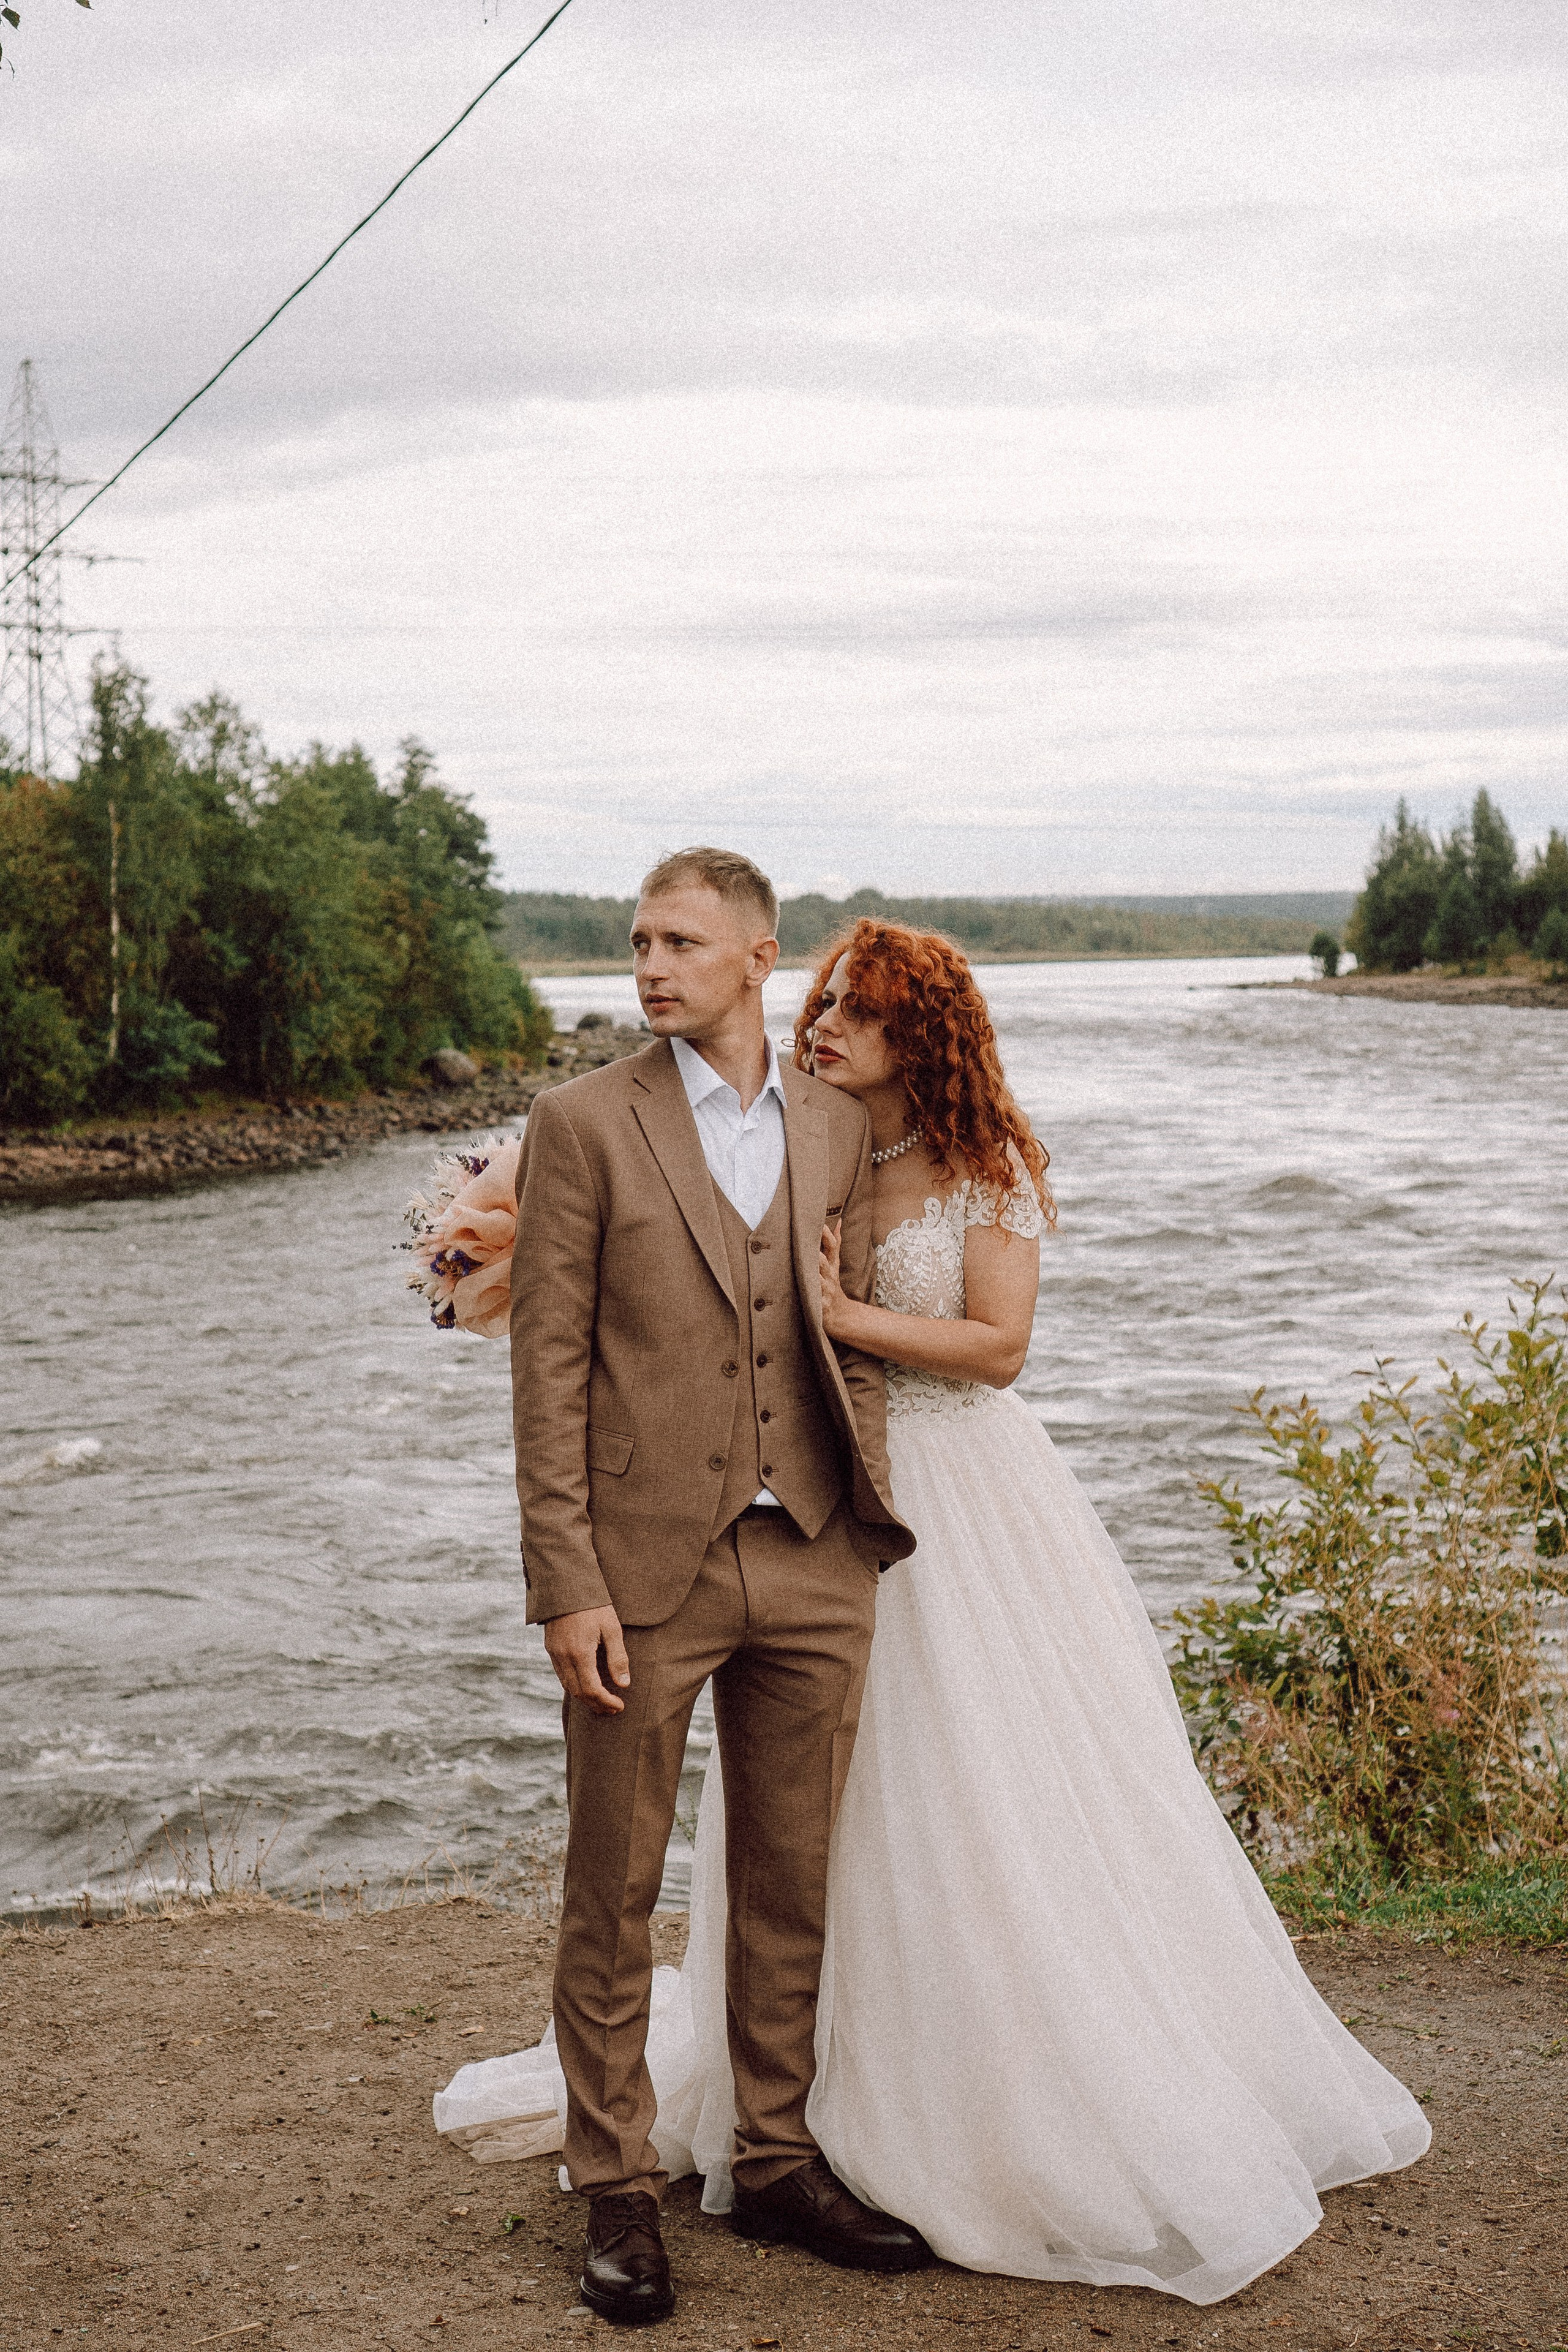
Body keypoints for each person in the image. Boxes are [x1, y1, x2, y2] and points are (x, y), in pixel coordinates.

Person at [445, 912, 1431, 2310]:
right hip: (805, 1502)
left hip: (960, 1503)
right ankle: (805, 2116)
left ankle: (986, 2103)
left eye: (860, 1009)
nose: (825, 1024)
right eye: (824, 1000)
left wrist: (837, 1318)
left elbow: (997, 1349)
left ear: (925, 1034)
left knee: (979, 1800)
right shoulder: (803, 1136)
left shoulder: (986, 1167)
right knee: (818, 1829)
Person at [505, 850, 929, 2328]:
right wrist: (566, 1578)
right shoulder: (580, 1122)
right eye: (636, 942)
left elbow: (847, 1338)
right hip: (641, 1569)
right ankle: (614, 2183)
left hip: (813, 1553)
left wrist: (862, 1511)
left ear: (760, 958)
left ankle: (773, 2157)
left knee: (789, 1882)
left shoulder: (833, 1121)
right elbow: (546, 1365)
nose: (649, 966)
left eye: (680, 941)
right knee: (611, 1885)